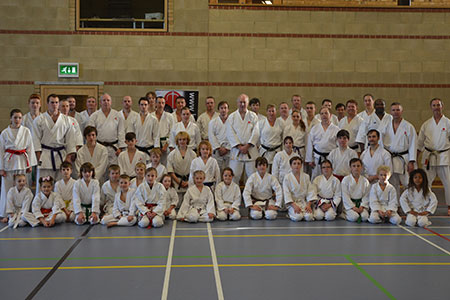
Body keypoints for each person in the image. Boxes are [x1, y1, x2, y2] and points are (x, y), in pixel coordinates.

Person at [32, 94, 76, 188]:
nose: (54, 105)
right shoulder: (39, 120)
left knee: (60, 186)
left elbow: (70, 140)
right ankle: (42, 203)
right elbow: (35, 140)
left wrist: (68, 157)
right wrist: (39, 158)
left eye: (56, 102)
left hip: (61, 156)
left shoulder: (66, 120)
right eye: (52, 102)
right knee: (44, 186)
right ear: (47, 104)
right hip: (45, 156)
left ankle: (59, 203)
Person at [0, 109, 36, 220]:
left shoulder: (26, 131)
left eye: (19, 118)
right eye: (15, 117)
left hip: (22, 162)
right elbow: (1, 150)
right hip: (9, 163)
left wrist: (30, 165)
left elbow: (30, 148)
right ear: (10, 118)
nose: (17, 120)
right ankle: (6, 214)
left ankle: (24, 213)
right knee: (7, 188)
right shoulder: (5, 133)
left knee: (24, 188)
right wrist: (1, 168)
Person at [417, 98, 450, 216]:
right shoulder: (426, 124)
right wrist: (415, 158)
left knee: (448, 183)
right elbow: (419, 143)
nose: (436, 107)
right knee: (426, 182)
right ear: (431, 107)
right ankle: (425, 205)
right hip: (429, 156)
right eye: (434, 105)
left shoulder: (448, 123)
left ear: (442, 106)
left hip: (444, 156)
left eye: (438, 105)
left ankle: (449, 206)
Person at [380, 102, 417, 196]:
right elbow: (380, 142)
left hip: (403, 158)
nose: (396, 112)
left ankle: (410, 204)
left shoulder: (409, 127)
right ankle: (396, 206)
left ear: (402, 111)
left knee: (407, 183)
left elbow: (413, 144)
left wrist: (411, 161)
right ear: (390, 112)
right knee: (393, 183)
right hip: (390, 158)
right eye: (393, 110)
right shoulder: (385, 126)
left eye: (398, 110)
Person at [226, 94, 260, 184]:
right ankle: (234, 197)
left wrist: (247, 145)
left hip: (250, 151)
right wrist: (239, 146)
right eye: (240, 102)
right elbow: (230, 133)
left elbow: (256, 132)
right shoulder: (232, 117)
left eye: (244, 102)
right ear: (237, 103)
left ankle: (252, 197)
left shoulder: (253, 116)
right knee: (234, 176)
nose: (242, 104)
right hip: (237, 151)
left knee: (252, 177)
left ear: (247, 103)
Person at [88, 93, 126, 165]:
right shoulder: (94, 116)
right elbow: (91, 133)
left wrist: (121, 148)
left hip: (114, 147)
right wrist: (92, 146)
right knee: (99, 168)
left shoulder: (117, 115)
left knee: (113, 169)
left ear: (111, 102)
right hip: (99, 146)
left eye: (108, 100)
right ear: (100, 102)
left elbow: (121, 132)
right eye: (104, 100)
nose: (106, 102)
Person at [306, 107, 340, 179]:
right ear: (320, 116)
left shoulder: (336, 129)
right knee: (316, 177)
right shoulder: (315, 128)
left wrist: (337, 159)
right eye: (322, 113)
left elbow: (339, 146)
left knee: (330, 177)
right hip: (317, 158)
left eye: (326, 113)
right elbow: (310, 144)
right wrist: (310, 159)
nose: (324, 115)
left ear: (330, 115)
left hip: (330, 157)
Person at [282, 156, 315, 222]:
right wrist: (294, 206)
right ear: (291, 166)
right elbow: (287, 193)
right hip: (293, 203)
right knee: (298, 217)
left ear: (301, 165)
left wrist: (308, 205)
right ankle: (290, 213)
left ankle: (303, 212)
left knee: (309, 217)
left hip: (304, 202)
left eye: (298, 163)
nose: (296, 165)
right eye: (294, 163)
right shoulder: (287, 177)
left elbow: (310, 191)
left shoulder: (306, 176)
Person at [167, 132, 197, 201]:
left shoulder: (193, 154)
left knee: (189, 202)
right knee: (177, 202)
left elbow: (195, 170)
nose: (182, 141)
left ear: (187, 140)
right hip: (176, 181)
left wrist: (188, 182)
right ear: (177, 141)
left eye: (184, 139)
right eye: (180, 139)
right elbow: (170, 171)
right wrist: (179, 182)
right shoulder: (172, 154)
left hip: (189, 181)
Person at [341, 158, 370, 223]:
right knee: (354, 217)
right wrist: (353, 207)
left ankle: (358, 211)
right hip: (350, 205)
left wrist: (362, 207)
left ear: (361, 167)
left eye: (358, 166)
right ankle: (344, 213)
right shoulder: (346, 180)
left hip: (361, 204)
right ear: (350, 168)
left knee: (365, 217)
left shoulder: (365, 181)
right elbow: (345, 196)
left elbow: (366, 196)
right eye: (354, 166)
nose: (356, 168)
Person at [209, 101, 231, 174]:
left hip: (229, 150)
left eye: (225, 108)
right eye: (221, 108)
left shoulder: (232, 121)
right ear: (218, 109)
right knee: (217, 172)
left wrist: (227, 148)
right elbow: (211, 136)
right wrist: (218, 148)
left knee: (229, 171)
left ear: (228, 110)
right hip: (217, 151)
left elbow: (235, 135)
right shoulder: (213, 122)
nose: (223, 110)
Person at [152, 96, 175, 165]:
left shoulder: (169, 116)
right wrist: (155, 146)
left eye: (163, 103)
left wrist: (167, 144)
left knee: (165, 164)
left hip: (165, 145)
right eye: (159, 103)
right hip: (153, 144)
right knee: (154, 164)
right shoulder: (151, 116)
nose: (161, 105)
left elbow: (172, 132)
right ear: (155, 104)